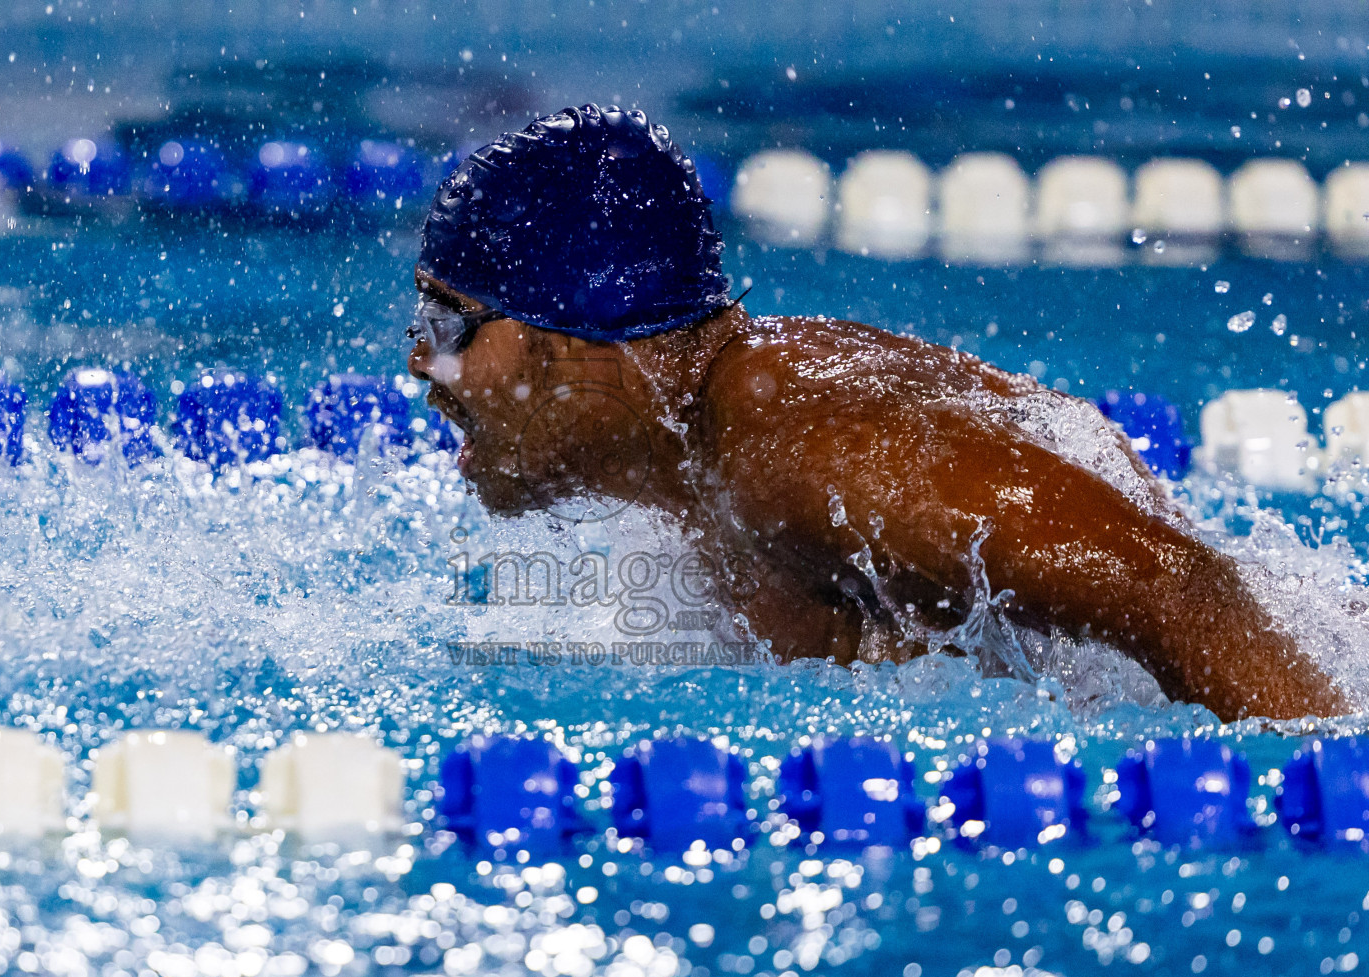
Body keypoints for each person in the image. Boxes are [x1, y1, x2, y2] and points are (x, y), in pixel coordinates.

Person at [406, 103, 1348, 722]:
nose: (420, 362)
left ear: (574, 328)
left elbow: (1181, 593)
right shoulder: (713, 444)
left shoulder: (797, 451)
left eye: (448, 321)